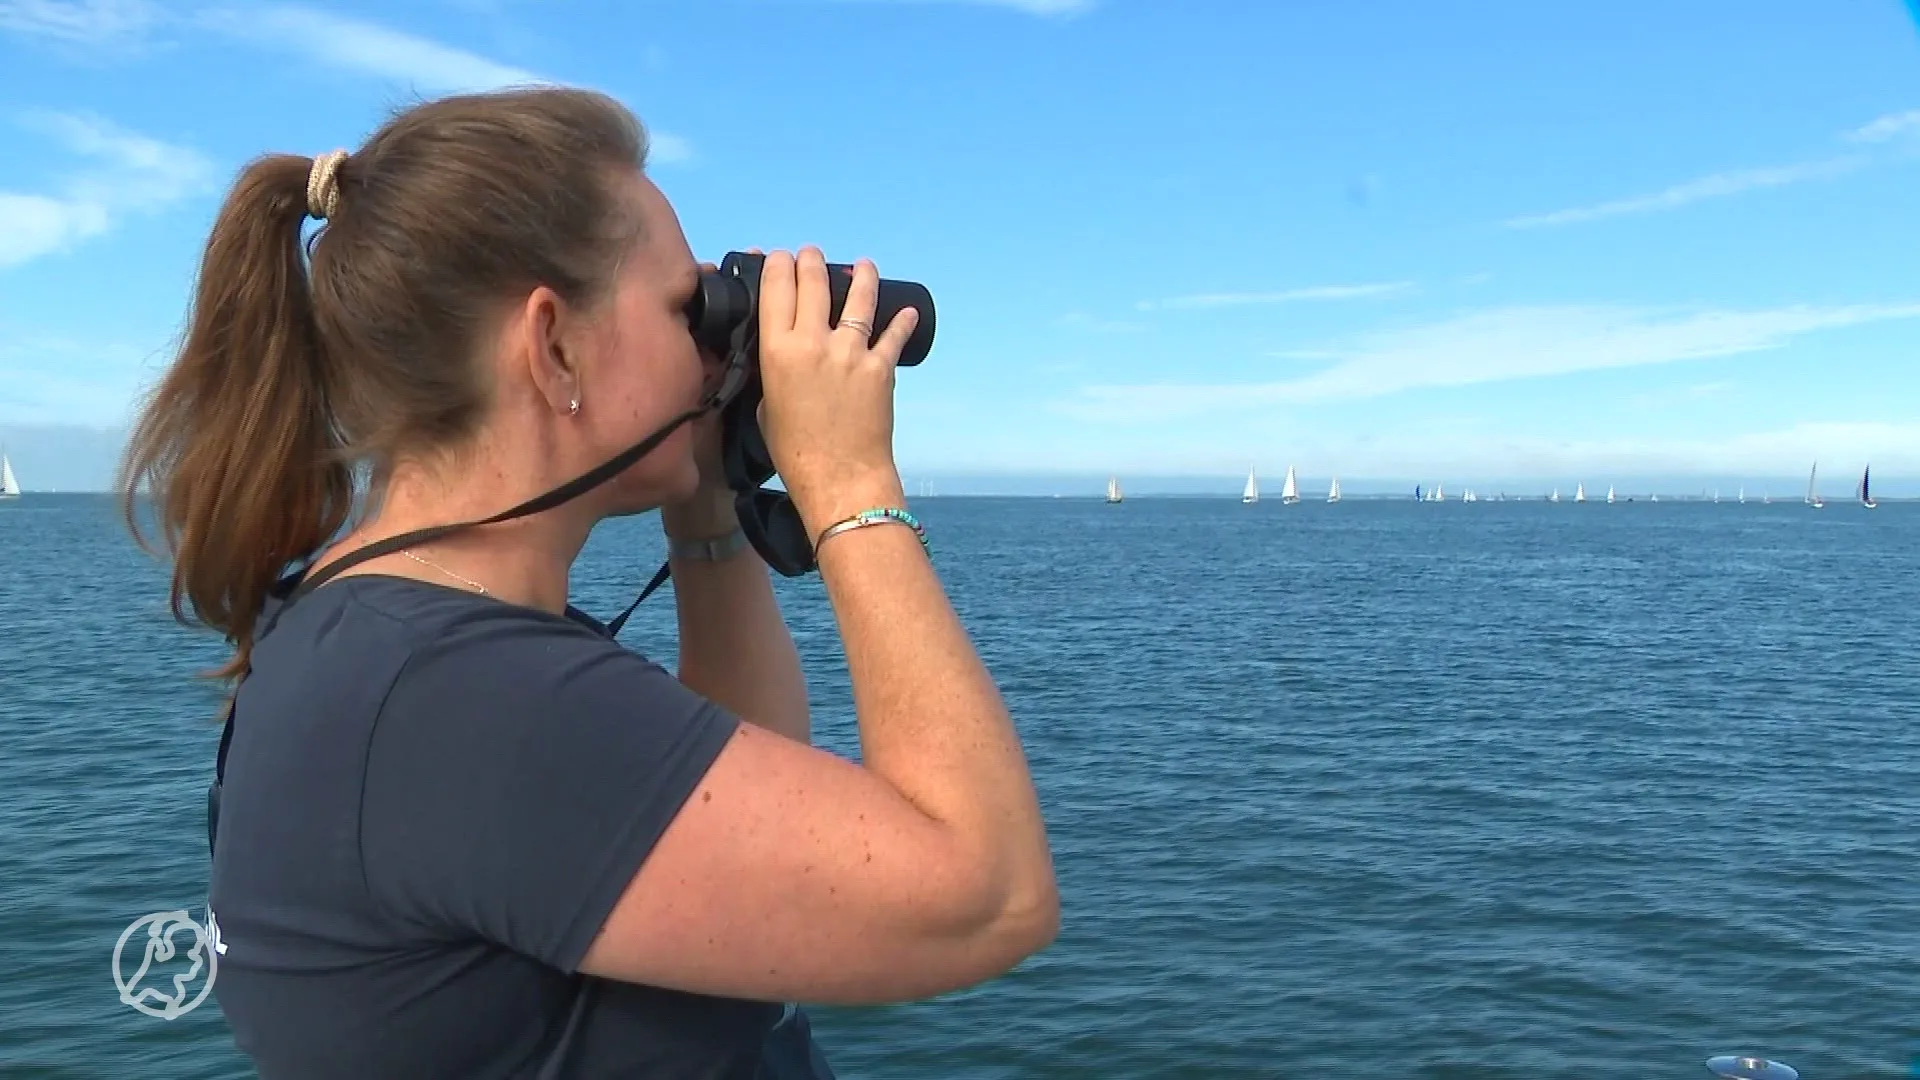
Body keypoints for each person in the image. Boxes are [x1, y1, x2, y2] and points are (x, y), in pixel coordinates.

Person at [119, 85, 1058, 1079]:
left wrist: (707, 508)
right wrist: (852, 482)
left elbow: (742, 820)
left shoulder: (389, 639)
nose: (710, 345)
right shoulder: (459, 704)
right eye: (679, 307)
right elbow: (988, 897)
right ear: (553, 344)